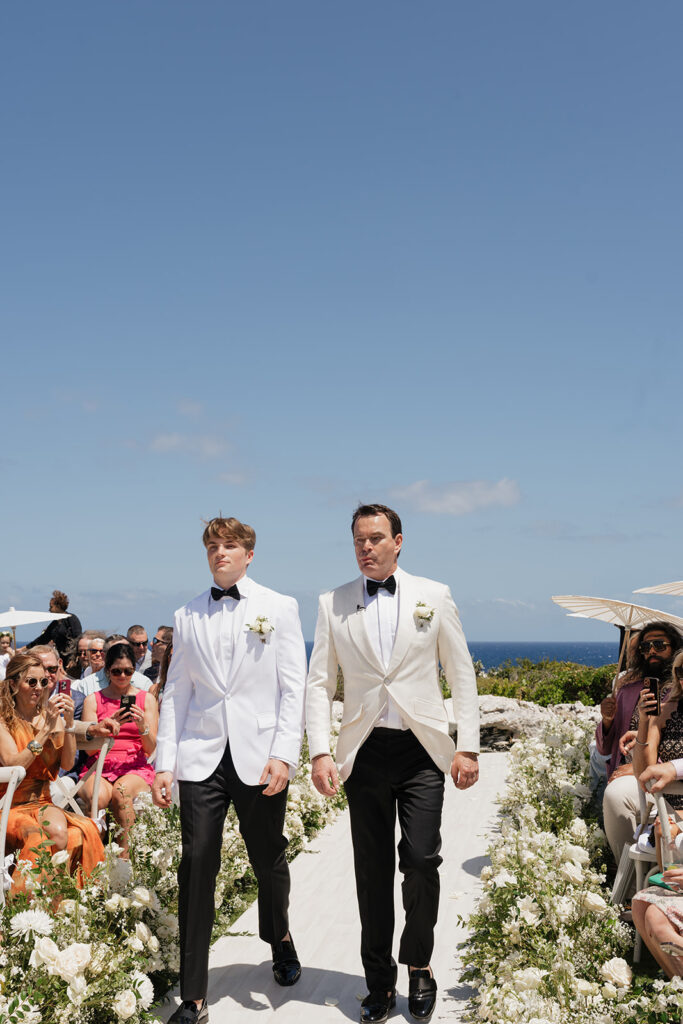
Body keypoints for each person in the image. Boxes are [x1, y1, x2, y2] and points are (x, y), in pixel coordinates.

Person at [306, 503, 480, 1024]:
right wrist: (320, 750)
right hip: (364, 752)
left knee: (422, 861)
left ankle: (419, 966)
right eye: (359, 540)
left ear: (397, 541)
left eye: (376, 538)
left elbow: (461, 673)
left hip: (422, 750)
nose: (366, 547)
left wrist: (468, 746)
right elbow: (320, 683)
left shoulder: (435, 595)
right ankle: (379, 982)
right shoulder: (332, 602)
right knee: (372, 870)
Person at [152, 516, 307, 1024]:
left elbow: (293, 687)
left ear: (249, 554)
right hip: (200, 757)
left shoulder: (279, 607)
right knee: (197, 863)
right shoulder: (186, 615)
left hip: (260, 756)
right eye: (213, 546)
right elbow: (176, 692)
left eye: (230, 545)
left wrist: (284, 754)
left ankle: (279, 936)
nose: (220, 552)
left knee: (268, 857)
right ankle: (194, 996)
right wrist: (165, 763)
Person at [0, 652, 105, 891]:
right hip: (8, 804)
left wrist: (68, 725)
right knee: (39, 837)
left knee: (77, 831)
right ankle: (29, 903)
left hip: (42, 802)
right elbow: (14, 765)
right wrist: (45, 731)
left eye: (44, 681)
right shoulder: (4, 721)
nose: (39, 687)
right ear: (14, 684)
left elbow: (67, 764)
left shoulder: (50, 718)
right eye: (31, 681)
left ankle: (64, 899)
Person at [600, 622, 683, 861]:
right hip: (652, 784)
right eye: (646, 647)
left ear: (675, 647)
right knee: (616, 794)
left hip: (659, 779)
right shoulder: (632, 691)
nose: (651, 651)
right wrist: (610, 720)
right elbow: (608, 746)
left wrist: (668, 767)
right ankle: (624, 868)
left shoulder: (668, 693)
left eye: (659, 645)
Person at [80, 643, 158, 856]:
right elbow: (88, 751)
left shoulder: (146, 699)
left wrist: (142, 726)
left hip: (134, 765)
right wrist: (106, 727)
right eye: (116, 671)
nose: (122, 676)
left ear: (134, 671)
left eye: (128, 671)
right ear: (107, 670)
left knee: (121, 792)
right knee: (97, 797)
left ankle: (124, 859)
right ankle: (95, 858)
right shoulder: (93, 700)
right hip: (99, 763)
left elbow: (151, 748)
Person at [632, 651, 683, 976]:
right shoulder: (668, 711)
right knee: (665, 831)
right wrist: (645, 722)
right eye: (681, 671)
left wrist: (674, 768)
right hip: (671, 808)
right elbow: (643, 771)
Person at [73, 635, 152, 697]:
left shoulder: (144, 684)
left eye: (126, 652)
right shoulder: (86, 685)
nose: (122, 658)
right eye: (116, 653)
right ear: (103, 656)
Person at [26, 590, 82, 661]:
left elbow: (78, 638)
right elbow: (43, 639)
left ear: (58, 606)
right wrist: (26, 648)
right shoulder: (54, 624)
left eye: (51, 607)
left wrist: (74, 659)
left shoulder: (72, 619)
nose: (49, 610)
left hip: (72, 659)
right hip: (61, 659)